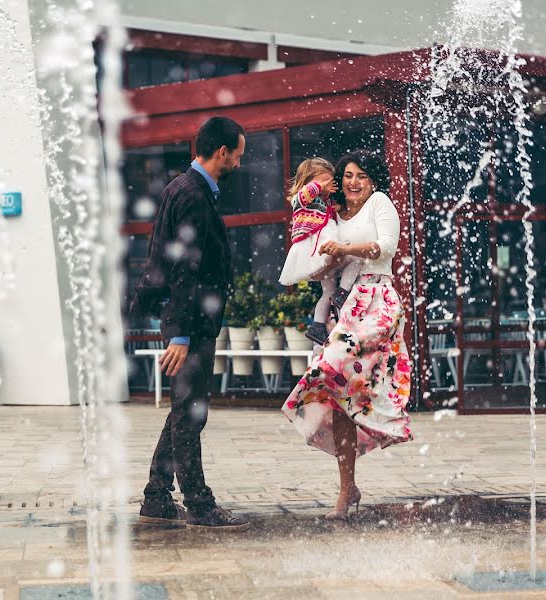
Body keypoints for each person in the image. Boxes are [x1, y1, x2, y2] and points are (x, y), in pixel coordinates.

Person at [131, 116, 251, 531]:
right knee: (190, 413)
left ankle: (157, 496)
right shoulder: (194, 195)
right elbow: (184, 269)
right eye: (237, 154)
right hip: (192, 324)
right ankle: (199, 504)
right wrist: (179, 334)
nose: (238, 162)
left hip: (190, 320)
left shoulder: (179, 187)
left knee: (185, 411)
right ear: (222, 152)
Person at [281, 151, 413, 520]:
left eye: (362, 176)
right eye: (349, 175)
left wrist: (344, 249)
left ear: (373, 181)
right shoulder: (335, 217)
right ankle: (347, 488)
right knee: (338, 392)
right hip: (345, 304)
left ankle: (388, 417)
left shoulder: (379, 204)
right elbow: (317, 259)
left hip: (376, 299)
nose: (354, 182)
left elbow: (384, 248)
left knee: (335, 368)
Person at [278, 157, 367, 345]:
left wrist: (336, 207)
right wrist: (319, 187)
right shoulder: (302, 199)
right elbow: (303, 196)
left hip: (324, 246)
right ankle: (343, 293)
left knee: (327, 292)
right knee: (355, 257)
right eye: (321, 182)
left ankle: (317, 326)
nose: (327, 186)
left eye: (329, 182)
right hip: (317, 247)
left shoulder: (324, 201)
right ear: (307, 182)